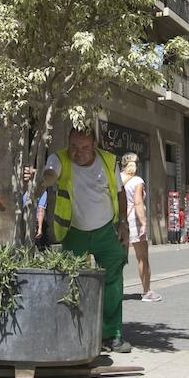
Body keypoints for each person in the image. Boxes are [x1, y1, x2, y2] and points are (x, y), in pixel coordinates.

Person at [28, 127, 131, 353]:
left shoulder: (108, 161)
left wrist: (123, 222)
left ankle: (111, 335)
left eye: (85, 147)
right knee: (70, 280)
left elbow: (120, 192)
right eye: (74, 146)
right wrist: (41, 178)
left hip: (107, 232)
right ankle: (74, 331)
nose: (79, 152)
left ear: (94, 145)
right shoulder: (59, 158)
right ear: (68, 143)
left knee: (113, 282)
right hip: (74, 233)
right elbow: (51, 175)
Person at [120, 152, 161, 302]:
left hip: (119, 221)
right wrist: (144, 224)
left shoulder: (118, 179)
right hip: (134, 221)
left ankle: (115, 290)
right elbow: (138, 203)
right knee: (142, 258)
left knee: (118, 258)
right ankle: (147, 291)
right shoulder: (137, 180)